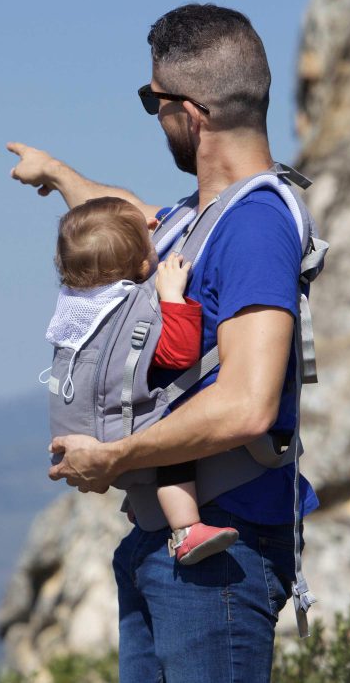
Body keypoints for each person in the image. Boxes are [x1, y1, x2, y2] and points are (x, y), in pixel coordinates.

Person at [8, 3, 319, 683]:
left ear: (192, 113)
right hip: (168, 549)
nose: (155, 117)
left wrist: (113, 455)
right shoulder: (191, 222)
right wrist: (58, 173)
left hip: (220, 560)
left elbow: (247, 406)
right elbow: (120, 215)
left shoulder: (255, 227)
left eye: (155, 103)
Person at [48, 196, 239, 564]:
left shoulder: (77, 306)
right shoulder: (134, 307)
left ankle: (144, 504)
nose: (156, 236)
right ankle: (186, 530)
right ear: (141, 264)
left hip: (78, 430)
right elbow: (177, 354)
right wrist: (172, 298)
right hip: (116, 438)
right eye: (149, 240)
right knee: (174, 442)